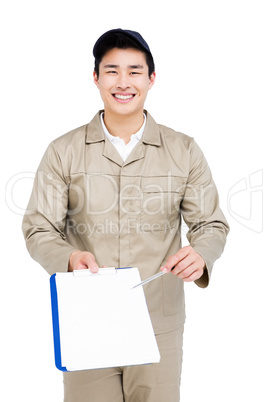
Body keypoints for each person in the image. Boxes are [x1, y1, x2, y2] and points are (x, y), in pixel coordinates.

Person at [22, 28, 229, 402]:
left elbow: (210, 224)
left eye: (134, 71)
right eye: (112, 70)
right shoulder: (63, 151)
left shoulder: (183, 150)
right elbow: (39, 229)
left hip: (158, 322)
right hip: (86, 319)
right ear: (96, 77)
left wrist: (200, 255)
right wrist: (69, 258)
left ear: (151, 78)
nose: (123, 82)